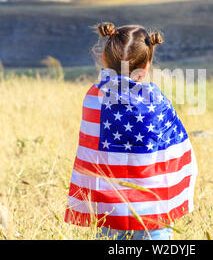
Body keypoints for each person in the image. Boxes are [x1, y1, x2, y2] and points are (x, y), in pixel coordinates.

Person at [64, 22, 198, 240]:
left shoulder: (93, 97)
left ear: (104, 59)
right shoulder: (156, 101)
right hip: (152, 215)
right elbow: (174, 149)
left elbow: (92, 151)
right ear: (146, 66)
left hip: (109, 211)